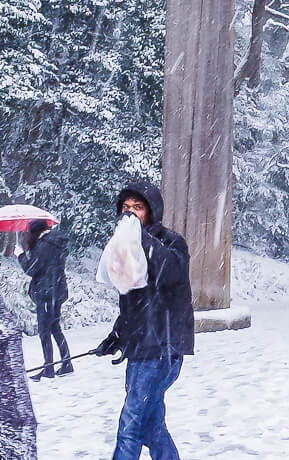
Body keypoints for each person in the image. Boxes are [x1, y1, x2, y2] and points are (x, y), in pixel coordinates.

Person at [96, 183, 193, 460]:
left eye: (137, 208)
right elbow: (133, 301)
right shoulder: (124, 246)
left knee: (130, 425)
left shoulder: (171, 242)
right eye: (126, 209)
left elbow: (170, 274)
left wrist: (140, 238)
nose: (130, 214)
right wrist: (117, 335)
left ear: (151, 211)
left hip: (163, 348)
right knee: (151, 425)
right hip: (141, 348)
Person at [19, 218, 71, 379]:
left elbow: (32, 268)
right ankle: (66, 362)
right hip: (56, 290)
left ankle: (48, 367)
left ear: (36, 232)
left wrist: (21, 254)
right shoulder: (55, 243)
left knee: (44, 331)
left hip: (46, 293)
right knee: (55, 328)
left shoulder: (44, 246)